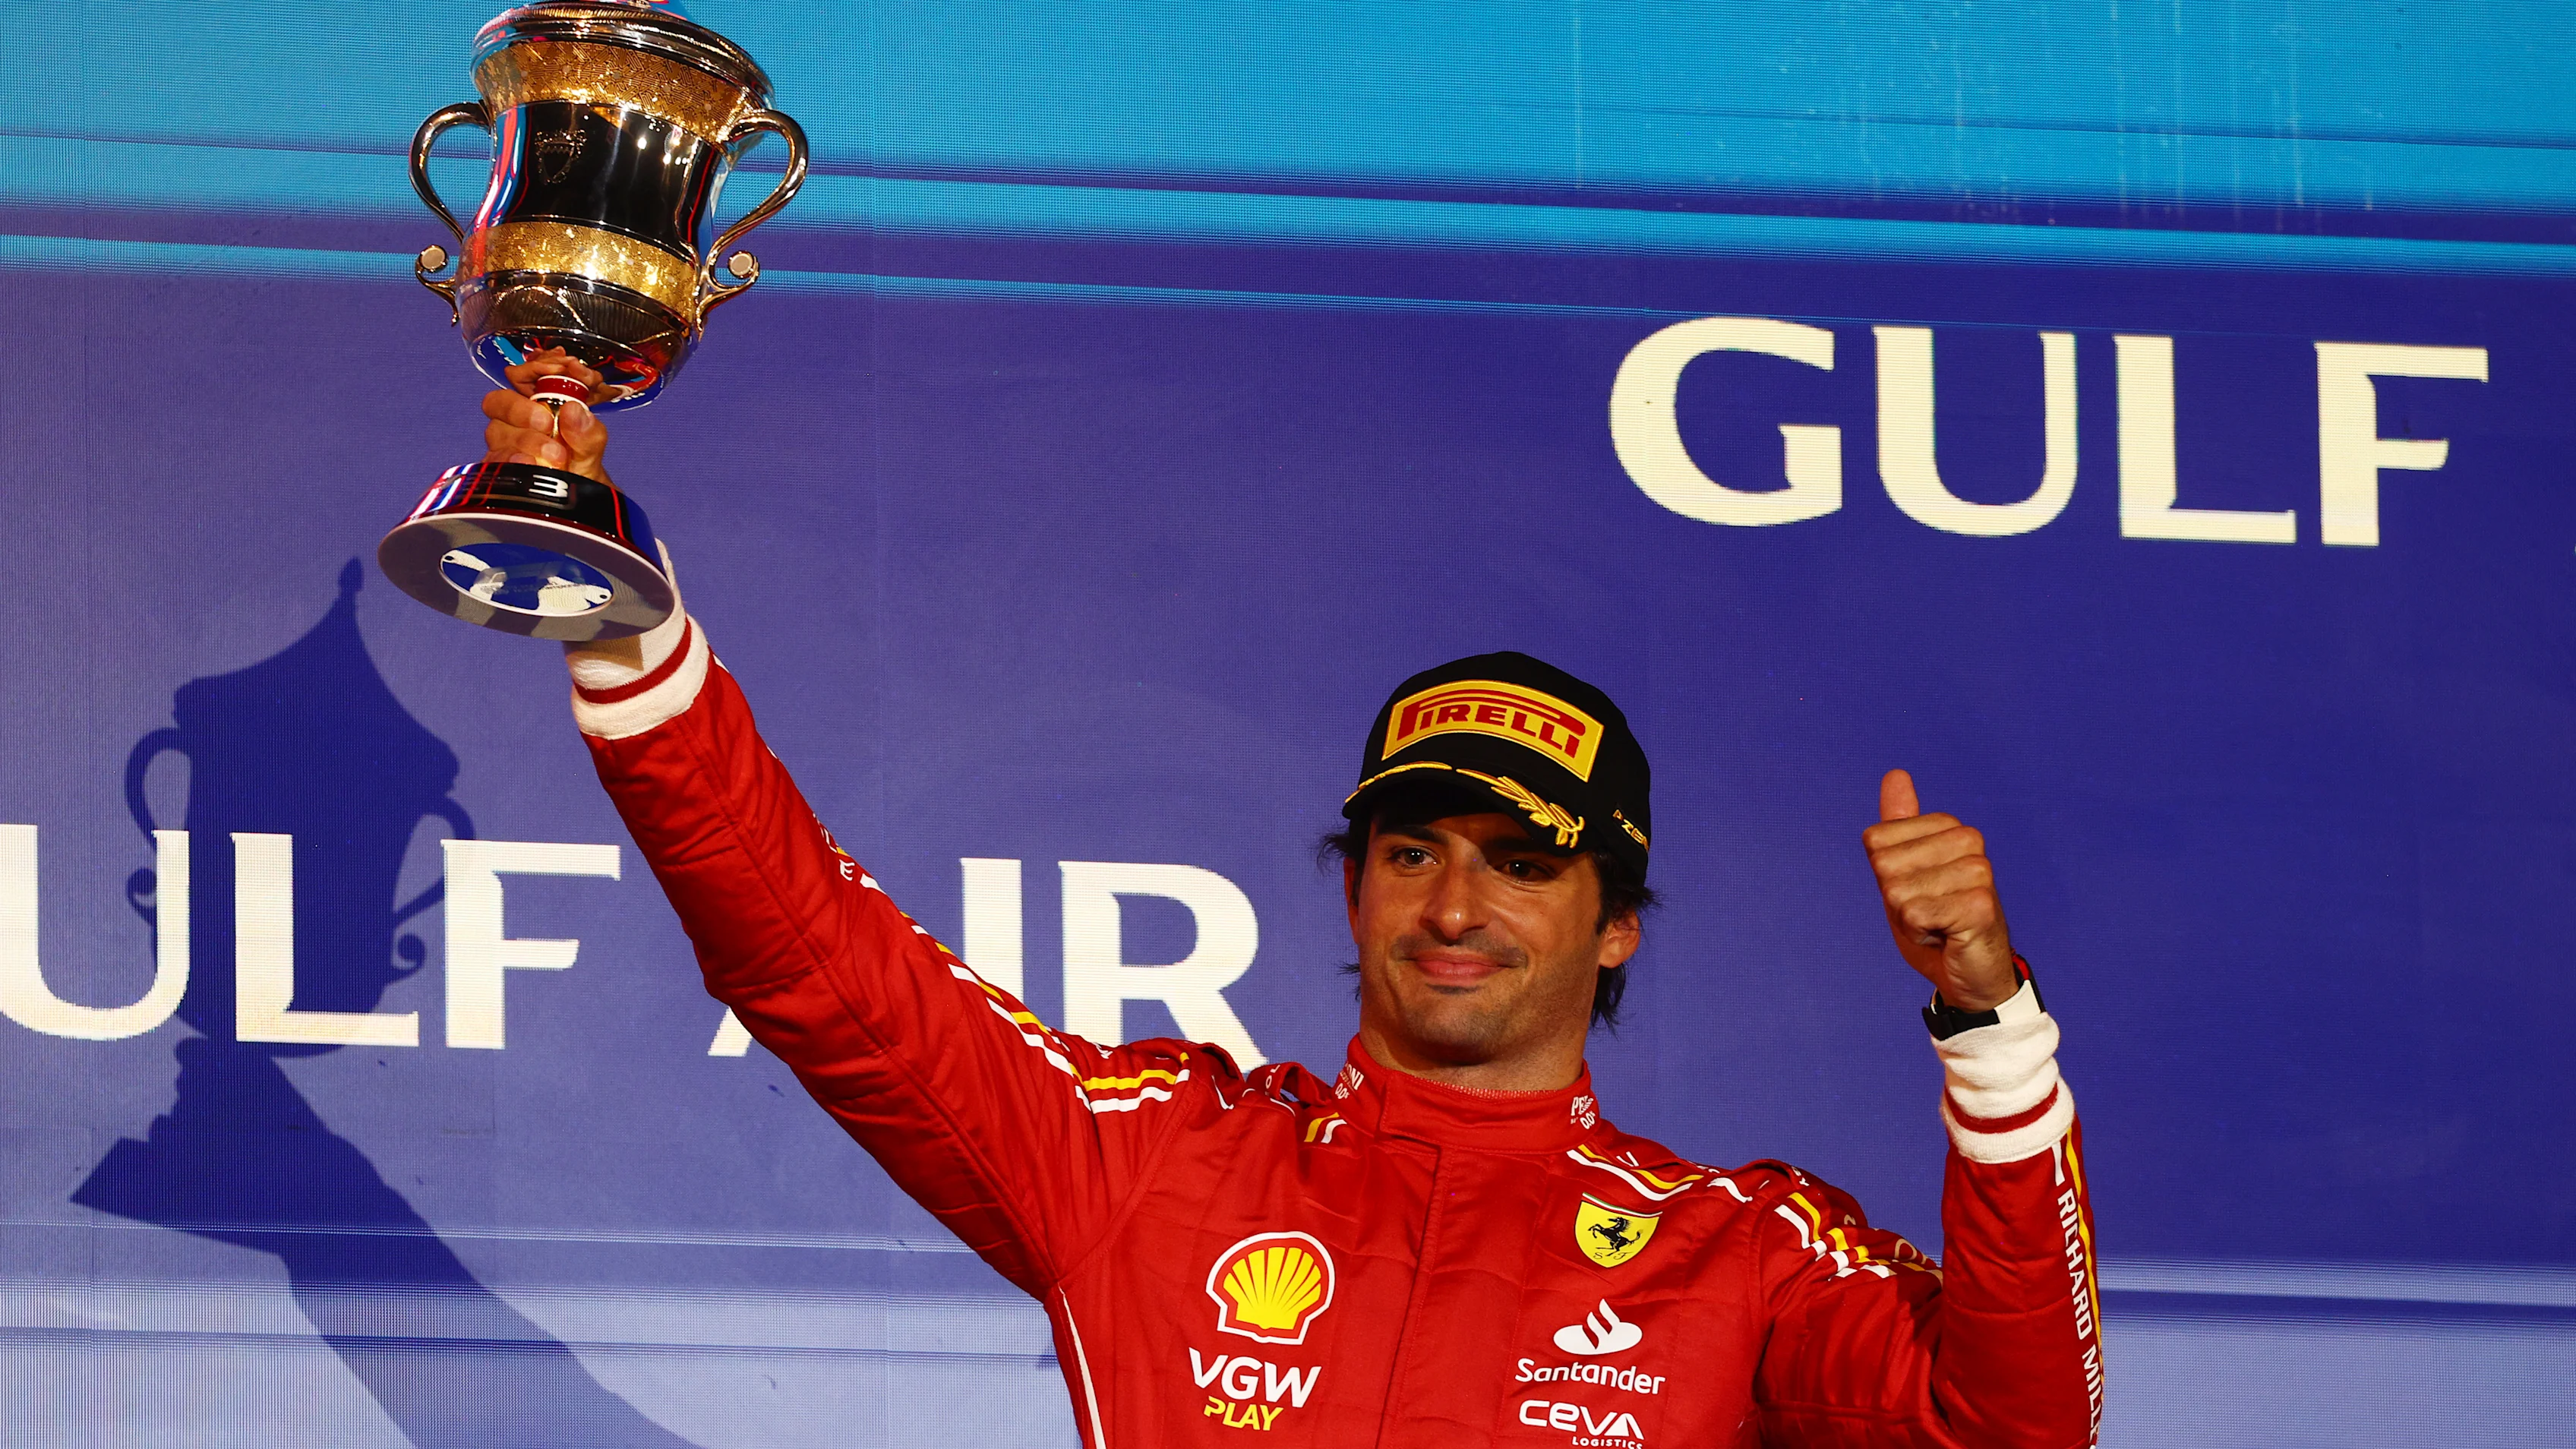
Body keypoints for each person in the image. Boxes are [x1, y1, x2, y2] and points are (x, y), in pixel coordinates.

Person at [483, 354, 2103, 1447]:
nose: (1454, 903)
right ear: (1351, 891)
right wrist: (628, 641)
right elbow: (817, 964)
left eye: (1521, 861)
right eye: (1412, 850)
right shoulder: (1157, 1161)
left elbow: (2016, 1428)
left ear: (1617, 924)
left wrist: (1989, 1028)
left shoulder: (1733, 1255)